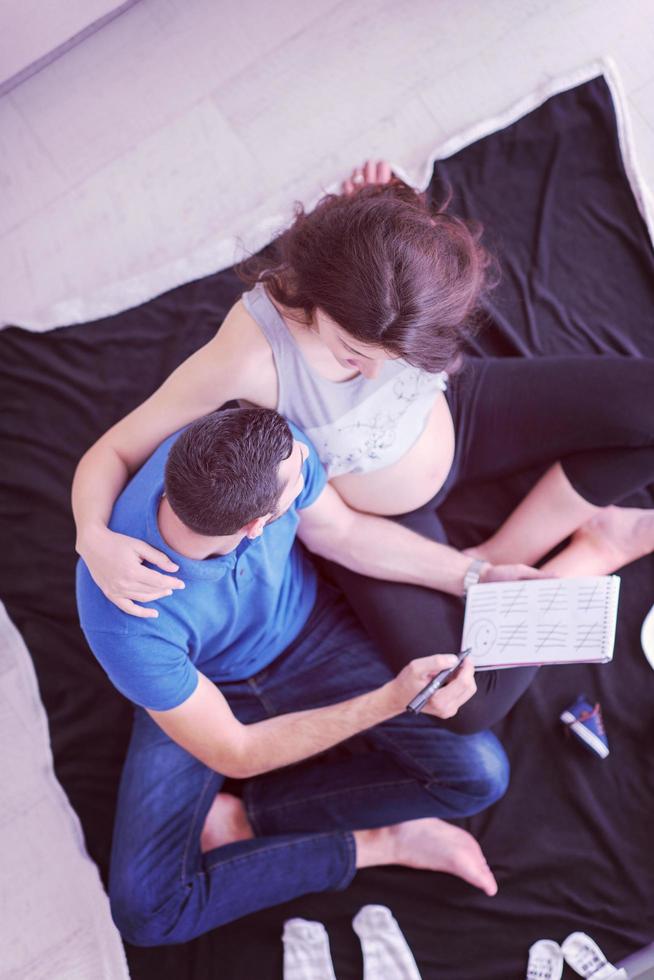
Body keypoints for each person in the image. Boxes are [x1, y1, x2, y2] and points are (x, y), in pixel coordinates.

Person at [72, 161, 654, 731]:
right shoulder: (248, 356)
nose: (373, 377)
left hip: (460, 414)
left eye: (396, 362)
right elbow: (115, 449)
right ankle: (596, 550)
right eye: (354, 356)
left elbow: (393, 251)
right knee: (469, 705)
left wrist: (385, 207)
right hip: (383, 515)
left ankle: (509, 543)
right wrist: (93, 538)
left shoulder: (406, 282)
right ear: (318, 298)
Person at [76, 407, 513, 945]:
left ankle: (249, 819)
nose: (307, 457)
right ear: (255, 526)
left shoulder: (267, 451)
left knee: (479, 772)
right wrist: (391, 699)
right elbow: (235, 750)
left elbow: (345, 533)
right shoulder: (123, 623)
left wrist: (478, 575)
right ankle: (379, 841)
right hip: (205, 692)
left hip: (313, 635)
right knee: (148, 911)